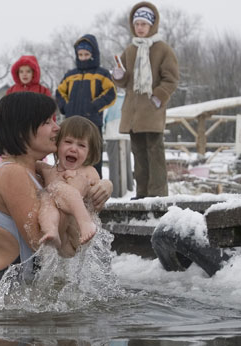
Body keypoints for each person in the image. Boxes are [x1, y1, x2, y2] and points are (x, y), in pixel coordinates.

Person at [0, 92, 113, 300]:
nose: (57, 128)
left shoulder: (35, 173)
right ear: (22, 130)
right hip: (0, 297)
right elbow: (41, 245)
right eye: (47, 121)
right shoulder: (12, 173)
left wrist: (105, 186)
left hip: (16, 299)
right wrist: (77, 192)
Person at [112, 2, 179, 199]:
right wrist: (118, 74)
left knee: (155, 155)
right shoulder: (130, 50)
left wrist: (158, 97)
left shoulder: (162, 49)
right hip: (133, 113)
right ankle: (141, 194)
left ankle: (157, 195)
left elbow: (172, 79)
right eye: (137, 24)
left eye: (144, 24)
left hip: (152, 110)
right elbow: (125, 81)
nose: (140, 28)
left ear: (152, 25)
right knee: (139, 155)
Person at [36, 116, 103, 251]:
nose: (73, 149)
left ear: (90, 152)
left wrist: (105, 185)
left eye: (81, 145)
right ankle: (51, 230)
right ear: (57, 145)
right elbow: (29, 162)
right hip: (61, 236)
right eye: (68, 142)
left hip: (78, 232)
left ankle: (86, 224)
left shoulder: (87, 171)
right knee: (45, 198)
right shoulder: (48, 171)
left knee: (55, 188)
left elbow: (98, 199)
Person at [55, 34, 117, 178]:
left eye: (86, 54)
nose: (83, 57)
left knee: (93, 157)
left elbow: (110, 93)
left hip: (92, 123)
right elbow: (59, 92)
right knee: (69, 155)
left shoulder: (102, 74)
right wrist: (65, 107)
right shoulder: (70, 75)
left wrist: (93, 106)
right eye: (80, 54)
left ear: (93, 54)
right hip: (71, 123)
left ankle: (94, 187)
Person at [103, 90, 134, 197]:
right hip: (126, 133)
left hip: (112, 133)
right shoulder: (129, 98)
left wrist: (103, 129)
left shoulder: (110, 99)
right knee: (127, 163)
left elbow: (104, 116)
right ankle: (129, 187)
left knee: (114, 164)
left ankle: (115, 192)